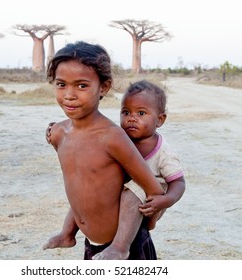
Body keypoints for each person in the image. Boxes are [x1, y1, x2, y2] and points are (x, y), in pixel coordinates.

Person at [43, 41, 166, 260]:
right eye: (61, 84)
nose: (69, 95)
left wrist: (149, 222)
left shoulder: (111, 137)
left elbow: (152, 189)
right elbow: (83, 182)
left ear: (104, 87)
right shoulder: (59, 133)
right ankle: (67, 235)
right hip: (92, 244)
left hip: (127, 249)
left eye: (81, 86)